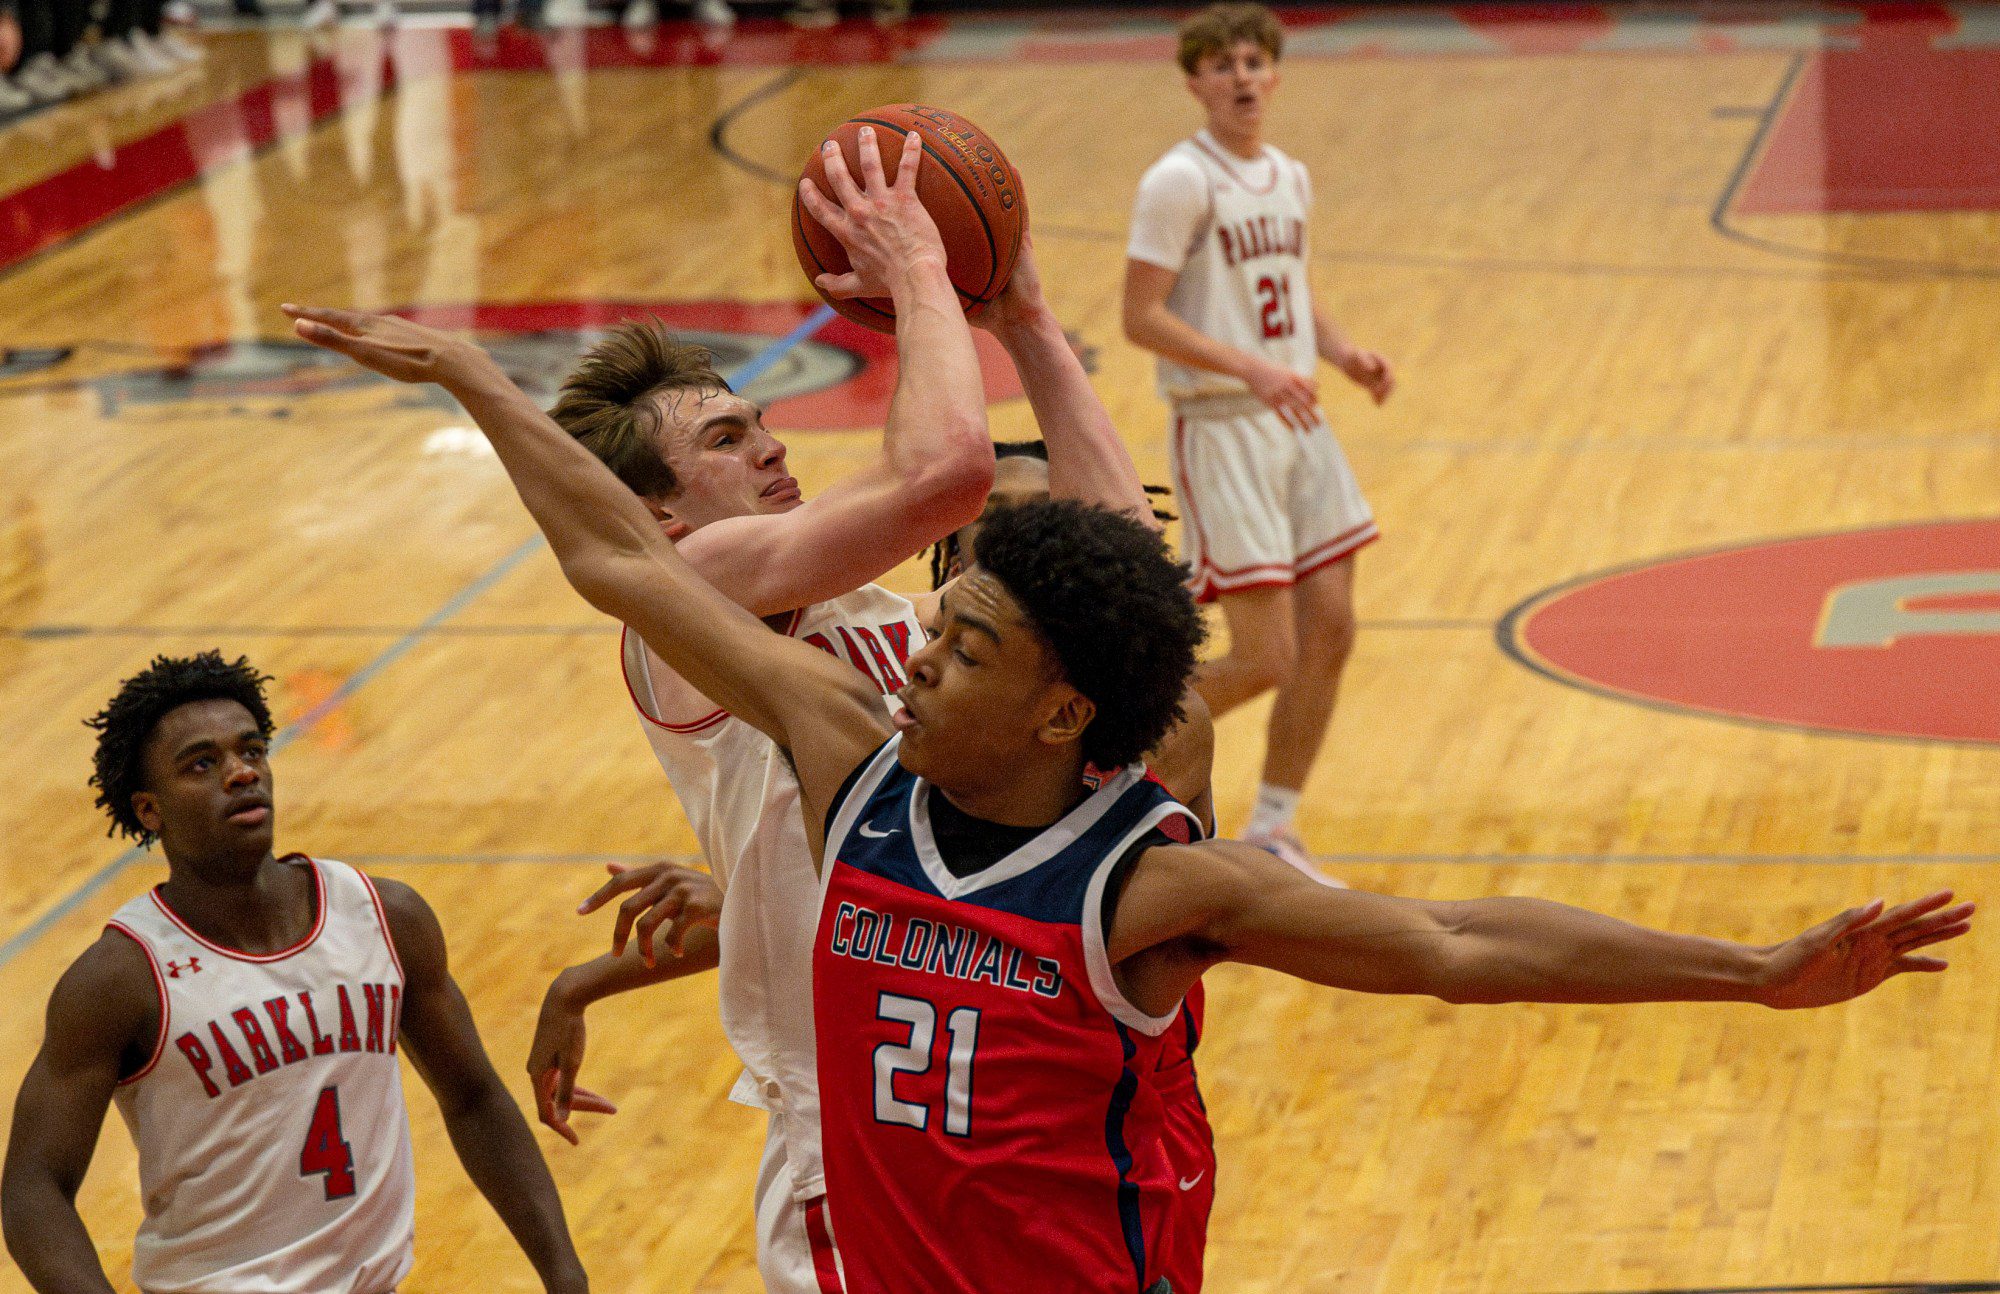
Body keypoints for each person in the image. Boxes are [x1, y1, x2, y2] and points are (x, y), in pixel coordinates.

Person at [287, 252, 1972, 1294]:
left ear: (1051, 708)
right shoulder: (846, 757)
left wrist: (1751, 971)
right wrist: (476, 377)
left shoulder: (1133, 871)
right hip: (853, 1209)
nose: (921, 652)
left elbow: (1459, 941)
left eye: (963, 642)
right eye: (940, 631)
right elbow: (619, 566)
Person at [1, 652, 590, 1294]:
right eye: (203, 764)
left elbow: (475, 1099)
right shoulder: (121, 978)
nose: (241, 774)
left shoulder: (383, 917)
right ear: (149, 810)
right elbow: (34, 1189)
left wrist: (566, 1277)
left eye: (251, 751)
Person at [1122, 2, 1396, 875]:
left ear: (1274, 75)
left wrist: (1343, 351)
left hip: (1297, 418)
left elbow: (1287, 286)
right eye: (1222, 64)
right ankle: (1097, 763)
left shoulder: (1288, 175)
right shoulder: (1178, 181)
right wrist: (1253, 369)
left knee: (1333, 629)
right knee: (1265, 655)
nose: (1241, 77)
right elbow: (1141, 318)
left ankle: (1275, 826)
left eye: (1254, 62)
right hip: (1224, 426)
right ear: (1195, 81)